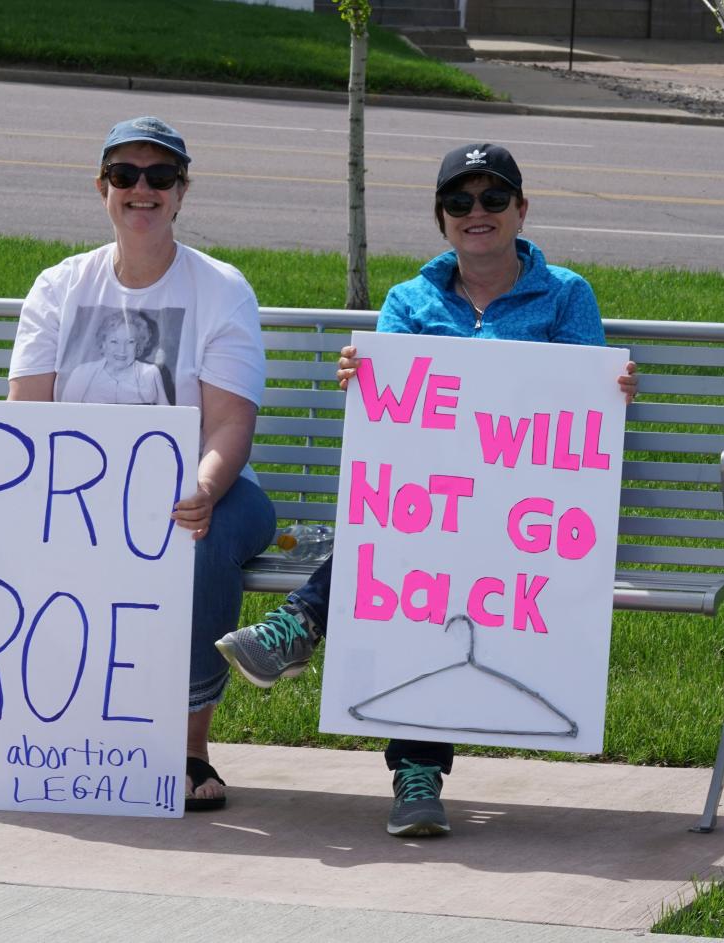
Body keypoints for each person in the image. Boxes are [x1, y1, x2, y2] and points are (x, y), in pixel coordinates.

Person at [216, 142, 637, 838]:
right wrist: (369, 378)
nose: (478, 213)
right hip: (433, 508)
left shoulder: (567, 295)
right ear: (441, 219)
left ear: (521, 210)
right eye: (460, 202)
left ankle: (300, 627)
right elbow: (397, 435)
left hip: (527, 517)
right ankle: (414, 770)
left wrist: (610, 390)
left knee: (418, 549)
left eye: (494, 198)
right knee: (413, 550)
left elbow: (581, 415)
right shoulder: (409, 301)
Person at [0, 116, 277, 812]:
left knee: (203, 534)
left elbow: (231, 421)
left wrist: (203, 489)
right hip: (82, 499)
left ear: (181, 192)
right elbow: (23, 420)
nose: (142, 188)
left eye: (160, 176)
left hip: (208, 486)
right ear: (102, 188)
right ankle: (50, 738)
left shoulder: (220, 288)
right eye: (125, 175)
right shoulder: (59, 286)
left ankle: (187, 742)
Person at [58, 308, 169, 404]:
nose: (122, 350)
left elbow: (167, 420)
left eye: (130, 342)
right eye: (114, 341)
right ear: (103, 343)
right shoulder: (81, 373)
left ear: (139, 345)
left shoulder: (151, 374)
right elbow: (64, 417)